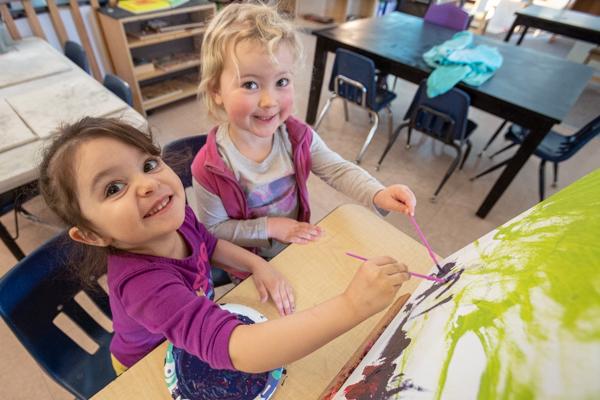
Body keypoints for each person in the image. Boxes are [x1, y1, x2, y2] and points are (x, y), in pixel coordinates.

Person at [38, 117, 411, 375]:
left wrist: (257, 264)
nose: (147, 185)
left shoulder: (172, 215)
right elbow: (240, 350)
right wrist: (352, 305)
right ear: (91, 235)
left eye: (149, 164)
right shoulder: (142, 285)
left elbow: (209, 244)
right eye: (113, 188)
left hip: (192, 329)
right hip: (150, 361)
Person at [191, 3, 417, 269]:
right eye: (250, 84)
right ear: (216, 90)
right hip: (249, 266)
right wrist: (272, 227)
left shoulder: (298, 137)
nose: (269, 101)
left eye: (282, 82)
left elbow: (338, 170)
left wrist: (378, 192)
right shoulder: (208, 168)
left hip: (296, 248)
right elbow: (215, 230)